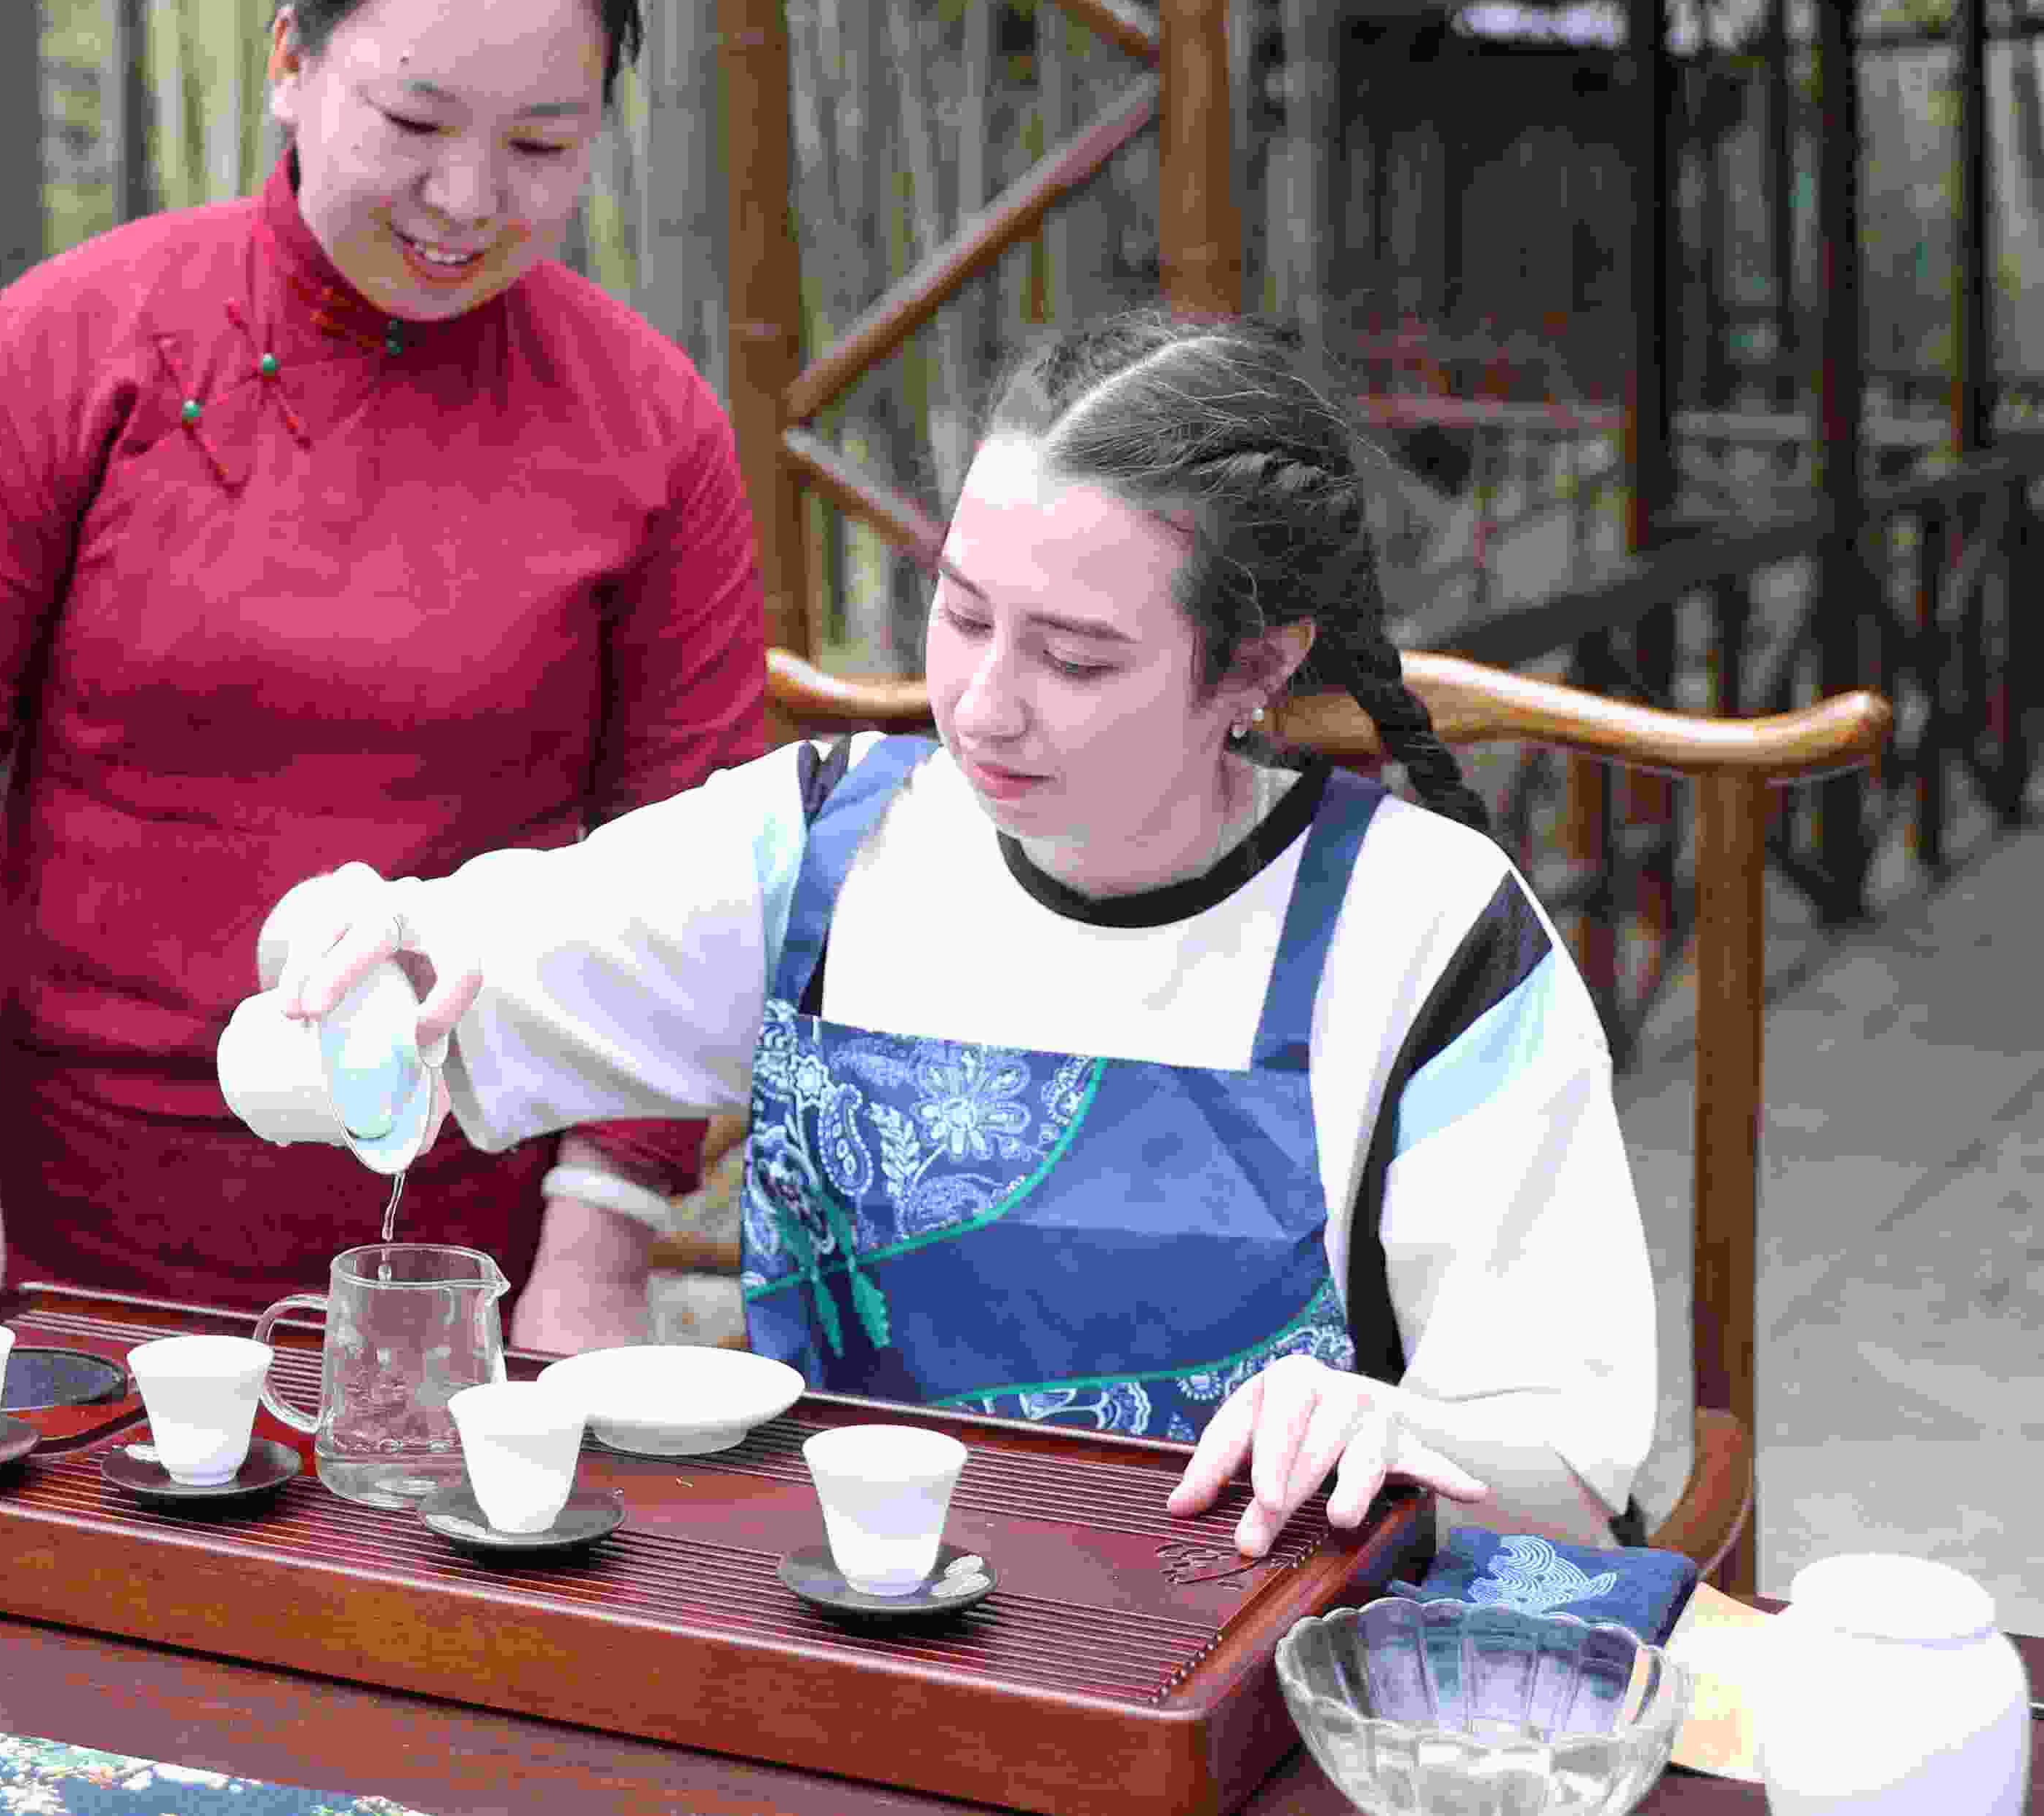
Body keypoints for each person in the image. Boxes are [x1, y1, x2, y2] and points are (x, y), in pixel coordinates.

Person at [257, 311, 1656, 1559]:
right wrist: (344, 938)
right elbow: (416, 975)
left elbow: (1571, 1465)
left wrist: (1394, 1427)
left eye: (1075, 657)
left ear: (1257, 666)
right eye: (963, 613)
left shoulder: (1422, 926)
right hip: (855, 1628)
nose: (983, 705)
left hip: (1247, 1663)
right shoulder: (820, 850)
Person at [0, 0, 764, 1351]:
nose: (467, 202)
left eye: (541, 145)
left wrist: (602, 1239)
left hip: (463, 1275)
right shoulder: (77, 346)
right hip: (58, 1239)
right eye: (413, 124)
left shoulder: (652, 427)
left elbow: (692, 878)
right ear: (289, 64)